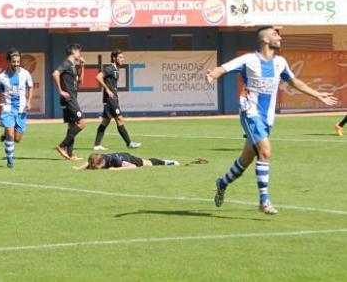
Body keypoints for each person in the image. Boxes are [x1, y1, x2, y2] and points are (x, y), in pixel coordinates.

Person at [205, 26, 338, 215]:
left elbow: (295, 82)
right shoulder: (248, 60)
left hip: (267, 118)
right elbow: (224, 68)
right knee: (265, 151)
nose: (280, 38)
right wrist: (213, 74)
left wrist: (318, 95)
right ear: (265, 40)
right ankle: (264, 200)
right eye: (276, 35)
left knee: (246, 159)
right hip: (250, 113)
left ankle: (222, 182)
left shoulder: (280, 63)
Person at [93, 49, 142, 151]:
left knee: (105, 122)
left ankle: (97, 145)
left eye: (123, 57)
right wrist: (107, 89)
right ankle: (129, 143)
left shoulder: (116, 69)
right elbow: (98, 77)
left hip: (112, 98)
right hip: (111, 99)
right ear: (114, 58)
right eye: (120, 57)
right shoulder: (110, 68)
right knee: (119, 119)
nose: (122, 59)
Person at [0, 48, 33, 169]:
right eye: (13, 62)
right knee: (10, 132)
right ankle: (10, 160)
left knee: (17, 138)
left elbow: (30, 87)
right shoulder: (2, 77)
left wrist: (29, 101)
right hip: (7, 108)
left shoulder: (25, 74)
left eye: (18, 61)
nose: (16, 64)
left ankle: (6, 134)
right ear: (8, 61)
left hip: (21, 109)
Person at [53, 44, 86, 160]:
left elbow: (81, 81)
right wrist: (60, 90)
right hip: (69, 98)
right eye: (79, 51)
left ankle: (70, 155)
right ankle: (62, 146)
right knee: (82, 123)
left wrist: (82, 67)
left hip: (71, 97)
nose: (80, 54)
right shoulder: (67, 63)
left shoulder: (72, 66)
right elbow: (55, 73)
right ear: (73, 51)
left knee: (72, 125)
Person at [73, 152, 179, 170]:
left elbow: (133, 166)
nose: (93, 168)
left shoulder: (115, 161)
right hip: (120, 156)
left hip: (127, 158)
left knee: (148, 163)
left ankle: (166, 162)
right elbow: (88, 163)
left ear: (101, 163)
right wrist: (78, 168)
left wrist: (115, 170)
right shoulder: (97, 160)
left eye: (95, 167)